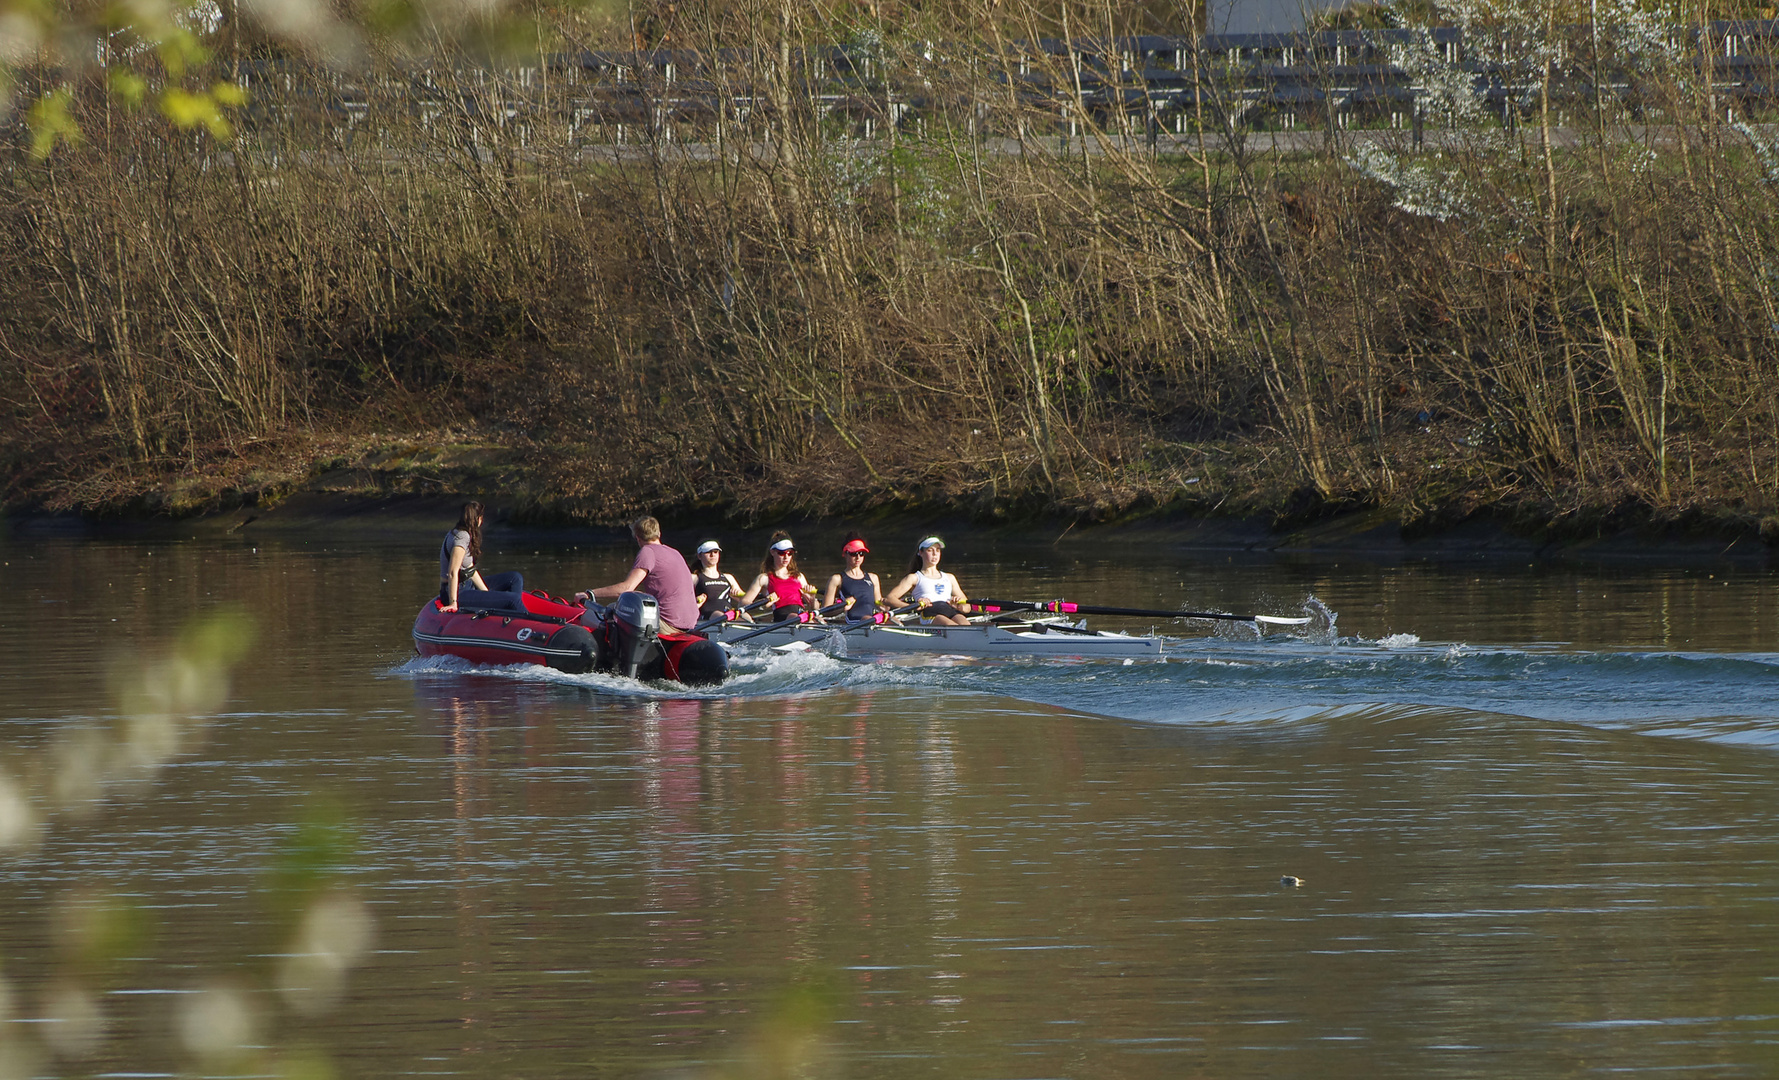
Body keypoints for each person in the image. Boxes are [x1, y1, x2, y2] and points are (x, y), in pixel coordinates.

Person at [574, 516, 700, 633]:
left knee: (613, 609)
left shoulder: (648, 551)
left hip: (668, 624)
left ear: (637, 538)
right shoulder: (675, 552)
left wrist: (590, 594)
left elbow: (625, 589)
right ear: (659, 534)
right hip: (691, 623)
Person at [439, 501, 524, 613]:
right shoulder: (461, 538)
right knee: (513, 600)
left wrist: (487, 594)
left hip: (468, 585)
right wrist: (453, 602)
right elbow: (452, 572)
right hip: (458, 592)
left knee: (515, 578)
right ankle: (522, 620)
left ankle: (507, 612)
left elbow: (470, 569)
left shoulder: (463, 534)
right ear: (478, 519)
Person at [885, 535, 971, 626]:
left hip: (950, 610)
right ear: (920, 552)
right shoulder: (914, 578)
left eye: (937, 550)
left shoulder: (950, 578)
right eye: (930, 550)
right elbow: (890, 598)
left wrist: (960, 607)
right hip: (929, 613)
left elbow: (968, 607)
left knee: (967, 626)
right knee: (953, 627)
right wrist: (912, 607)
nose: (935, 554)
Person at [739, 532, 819, 622]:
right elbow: (743, 603)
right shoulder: (763, 578)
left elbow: (815, 607)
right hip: (782, 617)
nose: (786, 557)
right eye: (782, 553)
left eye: (790, 553)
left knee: (818, 618)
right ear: (772, 552)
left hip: (801, 615)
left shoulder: (799, 577)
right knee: (795, 616)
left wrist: (812, 598)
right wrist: (764, 604)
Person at [822, 533, 883, 623]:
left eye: (861, 553)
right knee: (867, 619)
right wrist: (843, 606)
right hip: (855, 622)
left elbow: (879, 604)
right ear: (845, 554)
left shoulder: (873, 578)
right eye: (854, 554)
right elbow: (825, 611)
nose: (858, 557)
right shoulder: (837, 579)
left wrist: (886, 605)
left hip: (872, 621)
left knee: (892, 619)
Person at [690, 540, 749, 623]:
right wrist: (694, 600)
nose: (712, 555)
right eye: (708, 552)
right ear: (699, 556)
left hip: (728, 613)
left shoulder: (728, 577)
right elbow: (682, 600)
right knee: (719, 615)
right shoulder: (694, 578)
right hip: (708, 616)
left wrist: (739, 596)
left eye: (715, 552)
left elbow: (744, 601)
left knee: (747, 617)